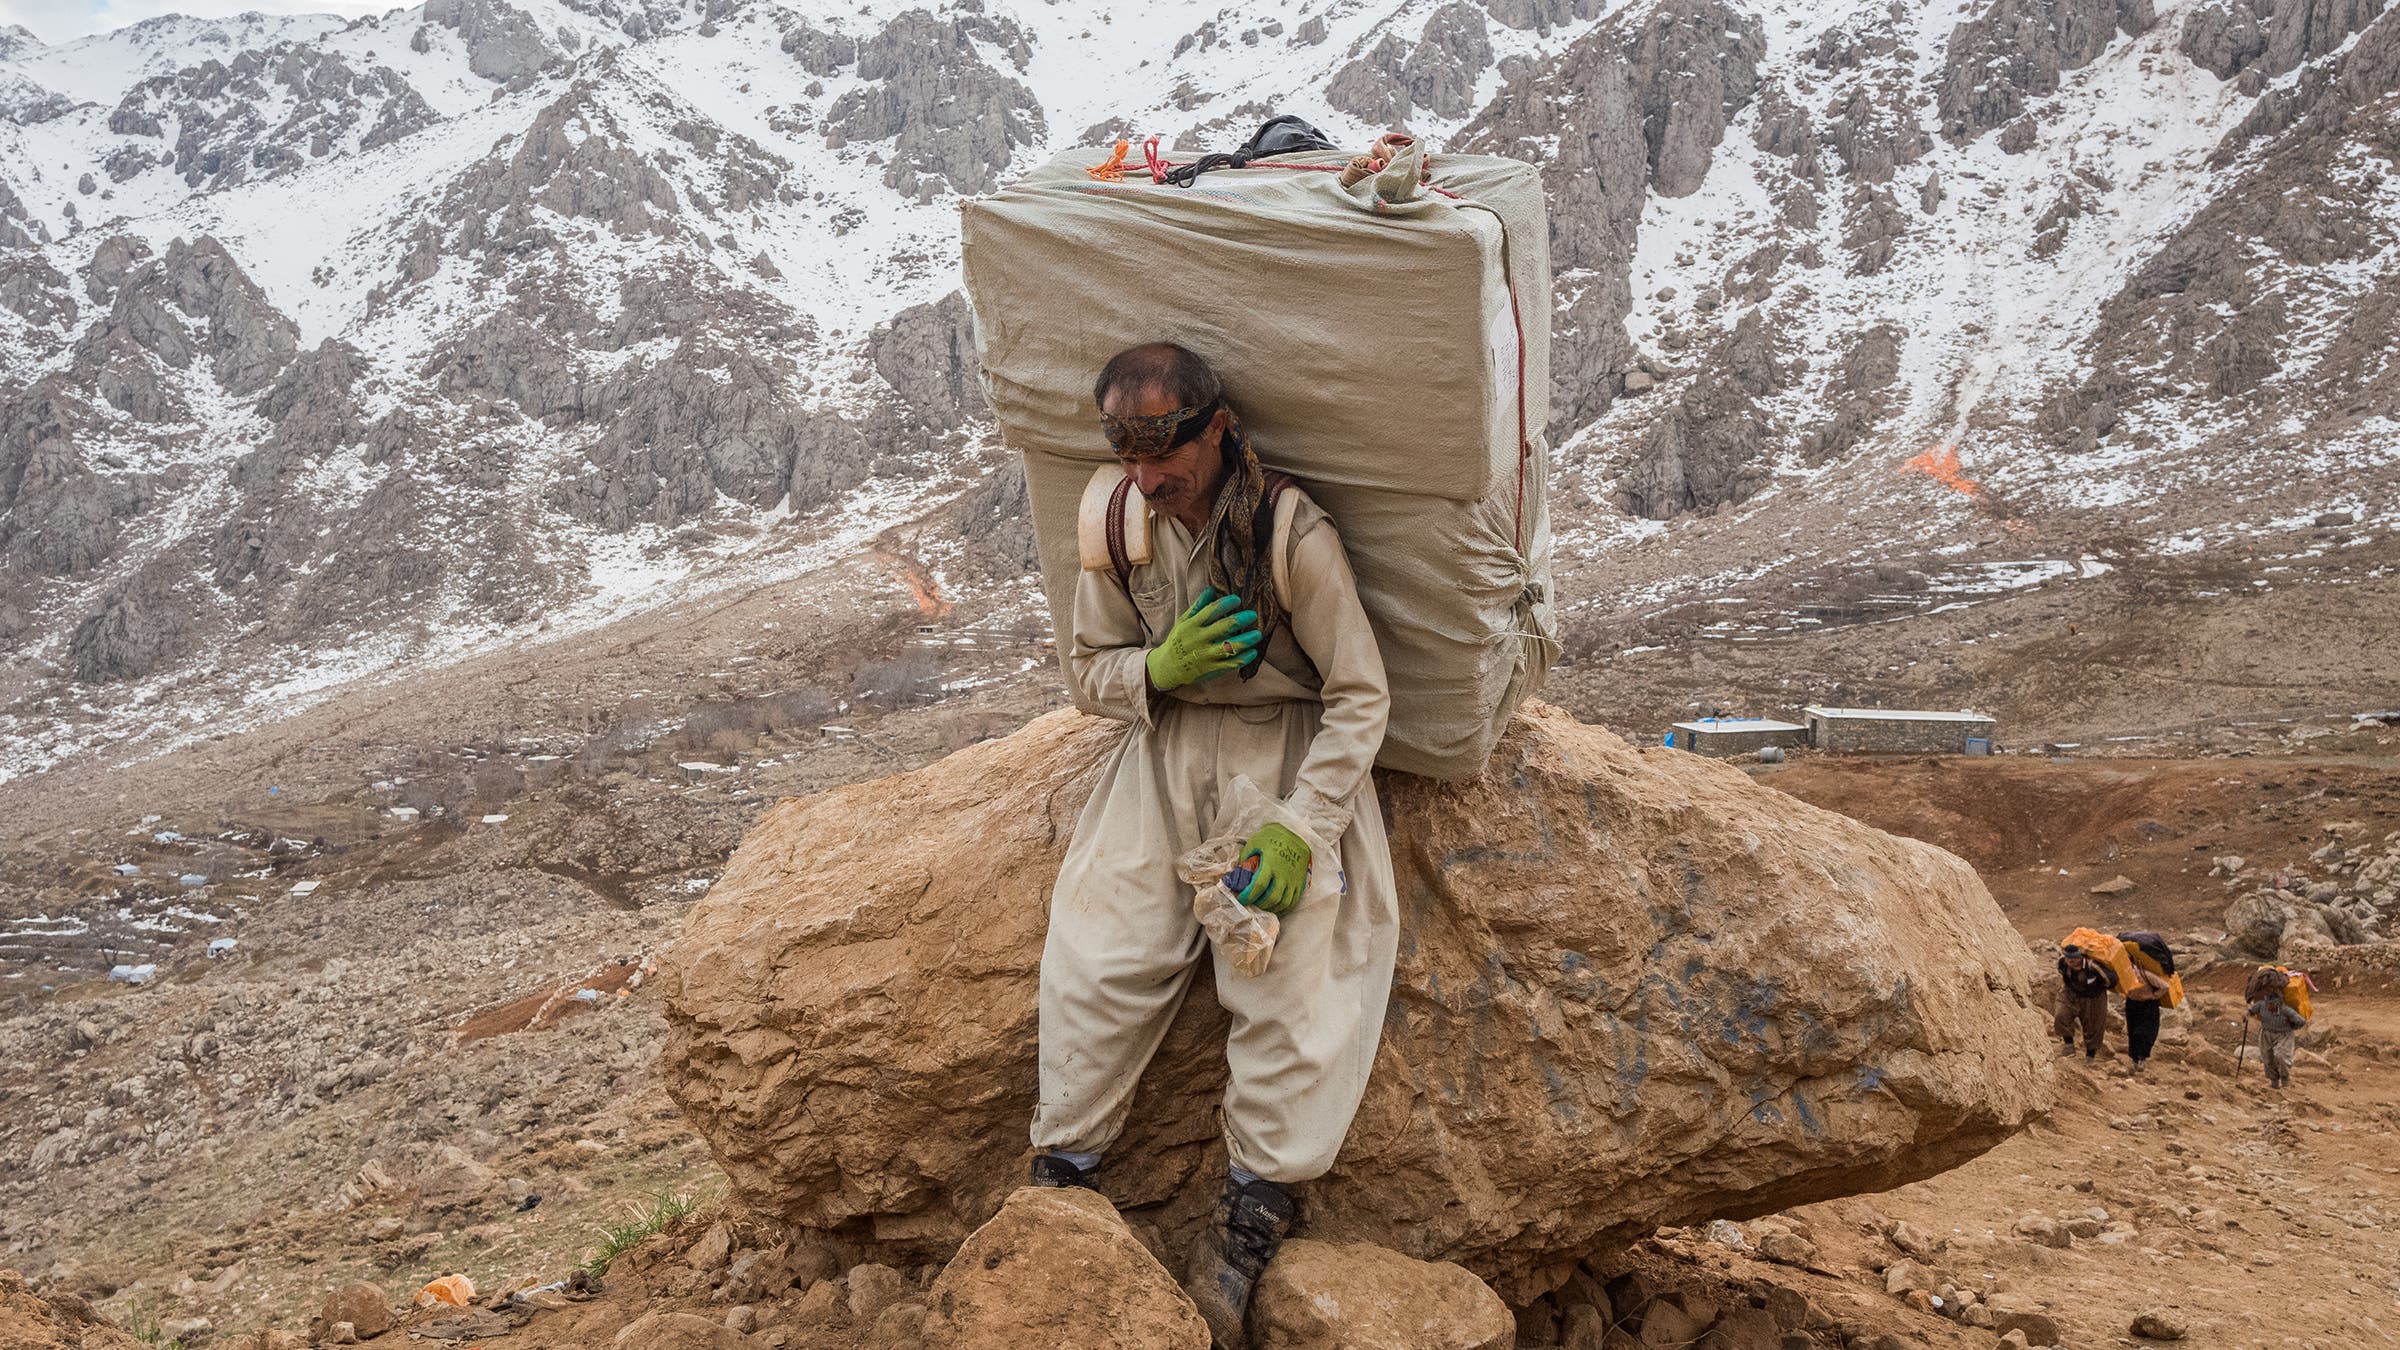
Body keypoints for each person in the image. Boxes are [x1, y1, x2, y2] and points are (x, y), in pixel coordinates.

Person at [1028, 342, 1396, 1348]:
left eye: (1166, 448)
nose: (1149, 474)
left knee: (1288, 971)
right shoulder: (1116, 522)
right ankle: (1060, 1177)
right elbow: (1088, 674)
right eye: (1127, 449)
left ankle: (1250, 1225)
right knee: (1096, 955)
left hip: (1282, 760)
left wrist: (1302, 826)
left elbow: (1362, 698)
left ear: (1217, 429)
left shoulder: (1289, 531)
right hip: (1162, 753)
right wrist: (1159, 667)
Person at [2245, 967, 2307, 1090]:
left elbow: (2301, 1021)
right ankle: (2274, 1082)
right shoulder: (2261, 1005)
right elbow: (2251, 1010)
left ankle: (2285, 1080)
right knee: (2268, 1058)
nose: (2270, 1006)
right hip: (2266, 1034)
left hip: (2283, 1035)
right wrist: (2247, 1014)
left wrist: (2291, 1027)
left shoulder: (2285, 1010)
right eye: (2269, 1004)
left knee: (2281, 1057)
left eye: (2273, 1005)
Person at [2054, 944, 2116, 1061]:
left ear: (2081, 957)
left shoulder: (2093, 967)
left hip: (2093, 998)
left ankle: (2090, 1055)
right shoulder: (2062, 963)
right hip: (2070, 993)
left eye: (2075, 959)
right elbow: (2062, 974)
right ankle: (2068, 1044)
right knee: (2061, 1014)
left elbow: (2111, 981)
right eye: (2069, 959)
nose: (2071, 962)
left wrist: (2096, 989)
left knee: (2094, 1025)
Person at [2121, 959, 2169, 1077]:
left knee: (2145, 1032)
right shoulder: (2125, 975)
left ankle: (2142, 1057)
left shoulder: (2146, 974)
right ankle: (2134, 1058)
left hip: (2148, 1005)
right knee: (2132, 1031)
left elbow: (2165, 986)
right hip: (2132, 1004)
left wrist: (2154, 996)